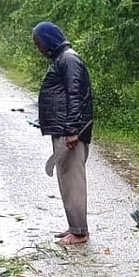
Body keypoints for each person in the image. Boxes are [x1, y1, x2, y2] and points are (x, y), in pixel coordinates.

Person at [33, 22, 94, 245]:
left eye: (39, 42)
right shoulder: (62, 59)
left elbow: (75, 94)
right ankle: (74, 226)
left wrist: (71, 129)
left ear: (49, 38)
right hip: (64, 129)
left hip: (70, 131)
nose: (38, 47)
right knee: (65, 178)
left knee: (72, 180)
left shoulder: (68, 59)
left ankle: (80, 232)